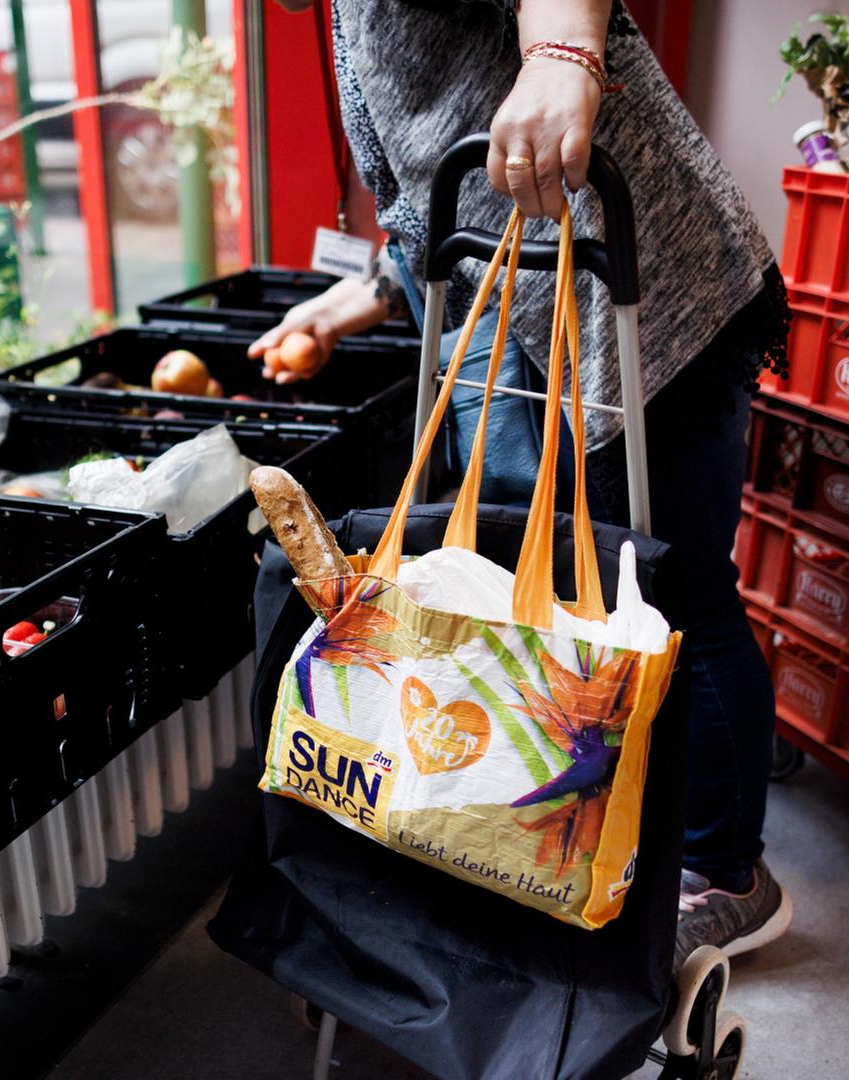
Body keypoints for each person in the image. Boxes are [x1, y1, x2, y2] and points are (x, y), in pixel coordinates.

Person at [250, 0, 792, 967]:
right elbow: (436, 186)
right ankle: (572, 828)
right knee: (538, 596)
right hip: (519, 311)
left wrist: (560, 56)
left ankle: (725, 874)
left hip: (644, 297)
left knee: (673, 596)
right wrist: (352, 302)